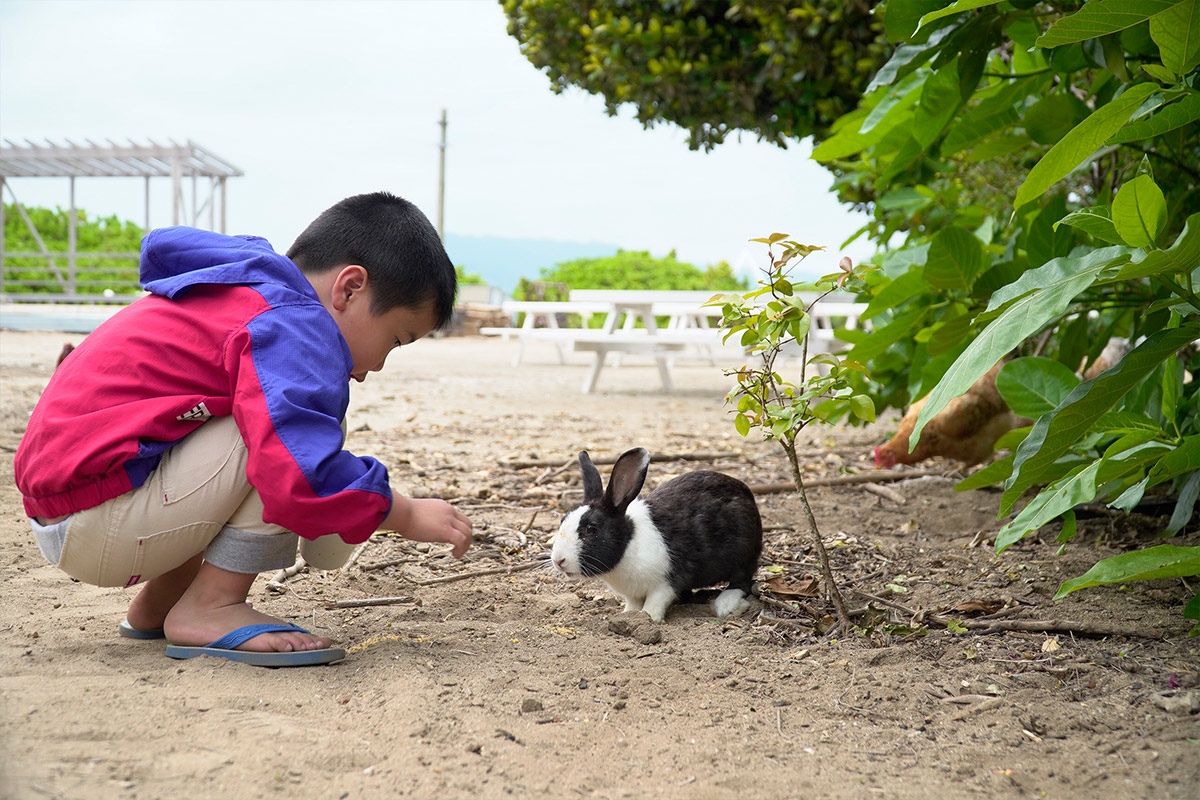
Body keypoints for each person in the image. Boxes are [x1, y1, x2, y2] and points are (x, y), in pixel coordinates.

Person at [14, 191, 472, 667]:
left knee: (262, 410)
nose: (376, 365)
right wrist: (404, 514)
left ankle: (162, 603)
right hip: (96, 513)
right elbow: (300, 469)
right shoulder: (293, 326)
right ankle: (212, 606)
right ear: (349, 288)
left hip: (75, 504)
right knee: (284, 432)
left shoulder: (249, 292)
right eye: (395, 340)